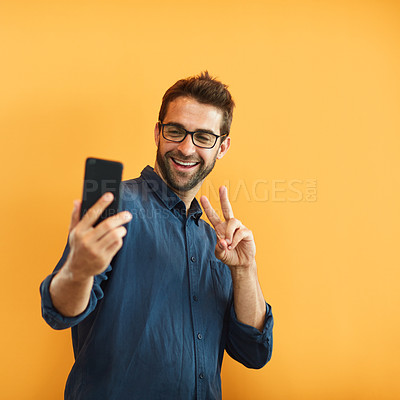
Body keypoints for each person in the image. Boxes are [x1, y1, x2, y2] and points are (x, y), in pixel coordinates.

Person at [40, 71, 274, 400]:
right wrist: (78, 270)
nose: (186, 147)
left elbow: (254, 352)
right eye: (175, 131)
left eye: (203, 137)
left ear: (222, 147)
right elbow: (59, 311)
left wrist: (244, 269)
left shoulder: (219, 242)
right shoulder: (114, 208)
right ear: (157, 132)